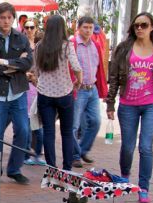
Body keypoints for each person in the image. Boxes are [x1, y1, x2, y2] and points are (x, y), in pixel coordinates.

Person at [106, 12, 153, 203]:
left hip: (152, 103)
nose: (140, 29)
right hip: (128, 104)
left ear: (152, 27)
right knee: (128, 147)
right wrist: (110, 103)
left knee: (145, 146)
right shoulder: (124, 49)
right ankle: (125, 177)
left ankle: (144, 188)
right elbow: (115, 78)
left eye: (144, 25)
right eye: (136, 26)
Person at [0, 2, 34, 185]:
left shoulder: (21, 38)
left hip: (17, 91)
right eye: (2, 18)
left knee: (23, 130)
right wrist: (13, 65)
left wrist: (4, 62)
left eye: (9, 18)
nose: (6, 21)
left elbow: (28, 63)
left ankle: (15, 169)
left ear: (13, 18)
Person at [32, 14, 82, 172]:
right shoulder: (67, 45)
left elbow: (35, 71)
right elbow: (76, 67)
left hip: (45, 94)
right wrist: (78, 82)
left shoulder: (40, 46)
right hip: (64, 92)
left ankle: (51, 168)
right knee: (66, 132)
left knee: (48, 132)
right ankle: (67, 168)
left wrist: (38, 83)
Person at [71, 16, 107, 168]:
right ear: (79, 28)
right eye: (85, 27)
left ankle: (82, 150)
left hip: (92, 88)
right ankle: (74, 155)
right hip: (78, 89)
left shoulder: (96, 45)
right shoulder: (73, 44)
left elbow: (100, 69)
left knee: (96, 122)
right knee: (74, 125)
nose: (87, 30)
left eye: (90, 28)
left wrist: (102, 89)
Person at [22, 20, 46, 166]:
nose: (29, 29)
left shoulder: (41, 49)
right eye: (27, 27)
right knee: (27, 122)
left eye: (32, 27)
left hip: (39, 88)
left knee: (36, 123)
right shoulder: (23, 46)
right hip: (27, 87)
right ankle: (27, 153)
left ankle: (36, 153)